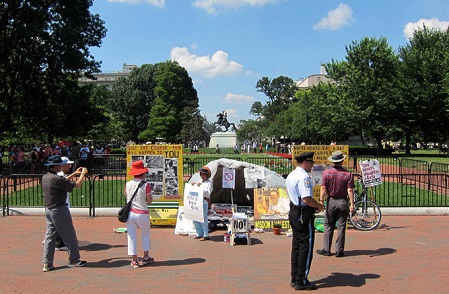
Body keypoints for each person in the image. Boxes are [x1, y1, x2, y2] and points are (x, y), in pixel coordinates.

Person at [42, 155, 88, 272]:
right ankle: (74, 259)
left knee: (50, 236)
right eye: (60, 164)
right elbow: (76, 185)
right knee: (69, 235)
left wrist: (74, 174)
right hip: (59, 209)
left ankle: (47, 263)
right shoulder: (56, 179)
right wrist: (83, 174)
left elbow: (63, 182)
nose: (62, 165)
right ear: (57, 166)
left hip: (49, 209)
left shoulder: (46, 177)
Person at [286, 152, 324, 291]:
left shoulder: (292, 175)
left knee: (297, 245)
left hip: (294, 211)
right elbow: (306, 198)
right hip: (303, 214)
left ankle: (295, 276)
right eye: (311, 162)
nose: (312, 165)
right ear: (305, 163)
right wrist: (319, 206)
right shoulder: (303, 177)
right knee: (305, 247)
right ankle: (301, 279)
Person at [317, 151, 355, 258]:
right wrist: (352, 204)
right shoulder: (348, 174)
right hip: (343, 201)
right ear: (342, 161)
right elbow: (350, 190)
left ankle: (326, 249)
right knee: (341, 226)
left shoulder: (327, 173)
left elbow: (323, 188)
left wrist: (321, 200)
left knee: (328, 224)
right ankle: (339, 250)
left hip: (331, 201)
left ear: (333, 161)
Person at [125, 160, 154, 268]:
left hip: (130, 213)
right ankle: (146, 257)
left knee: (131, 236)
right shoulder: (145, 185)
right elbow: (149, 200)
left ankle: (134, 260)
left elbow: (126, 196)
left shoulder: (128, 184)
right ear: (143, 173)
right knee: (145, 234)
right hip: (142, 213)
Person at [192, 166, 213, 241]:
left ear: (207, 175)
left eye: (204, 174)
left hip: (204, 202)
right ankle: (199, 233)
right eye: (201, 174)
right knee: (196, 218)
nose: (202, 176)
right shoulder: (200, 181)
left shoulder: (209, 183)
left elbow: (207, 194)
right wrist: (194, 185)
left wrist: (200, 188)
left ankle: (205, 234)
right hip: (197, 202)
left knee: (203, 219)